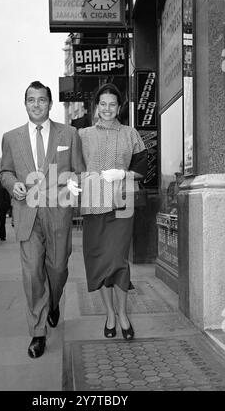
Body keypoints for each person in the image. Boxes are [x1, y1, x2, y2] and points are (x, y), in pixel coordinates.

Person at [1, 80, 83, 359]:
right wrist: (13, 185)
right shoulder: (11, 137)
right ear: (25, 104)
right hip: (27, 214)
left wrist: (72, 190)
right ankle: (38, 333)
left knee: (58, 269)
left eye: (41, 100)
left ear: (50, 103)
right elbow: (5, 171)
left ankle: (54, 301)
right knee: (33, 273)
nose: (36, 105)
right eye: (31, 100)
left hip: (58, 213)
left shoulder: (70, 133)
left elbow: (79, 172)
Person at [78, 83, 147, 340]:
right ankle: (109, 314)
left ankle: (124, 314)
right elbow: (70, 163)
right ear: (97, 107)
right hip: (93, 204)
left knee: (117, 261)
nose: (107, 109)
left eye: (112, 104)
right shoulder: (82, 135)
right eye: (103, 104)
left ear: (119, 107)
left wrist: (125, 173)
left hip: (121, 205)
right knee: (98, 262)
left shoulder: (131, 134)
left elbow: (144, 167)